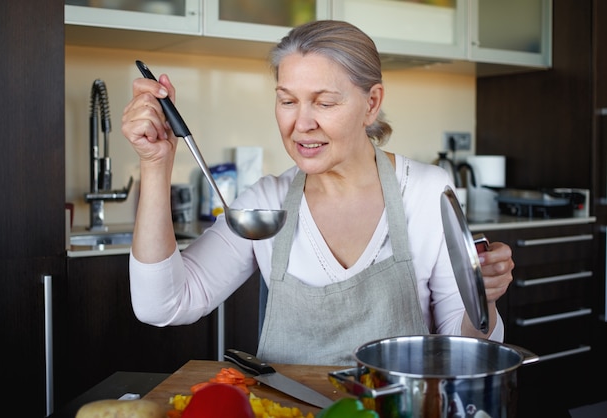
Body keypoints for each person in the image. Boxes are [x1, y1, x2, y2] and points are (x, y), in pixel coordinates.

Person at [121, 20, 514, 366]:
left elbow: (463, 348)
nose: (302, 123)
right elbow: (164, 305)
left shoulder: (427, 192)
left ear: (371, 103)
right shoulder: (266, 202)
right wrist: (156, 164)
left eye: (324, 102)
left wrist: (485, 300)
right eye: (287, 100)